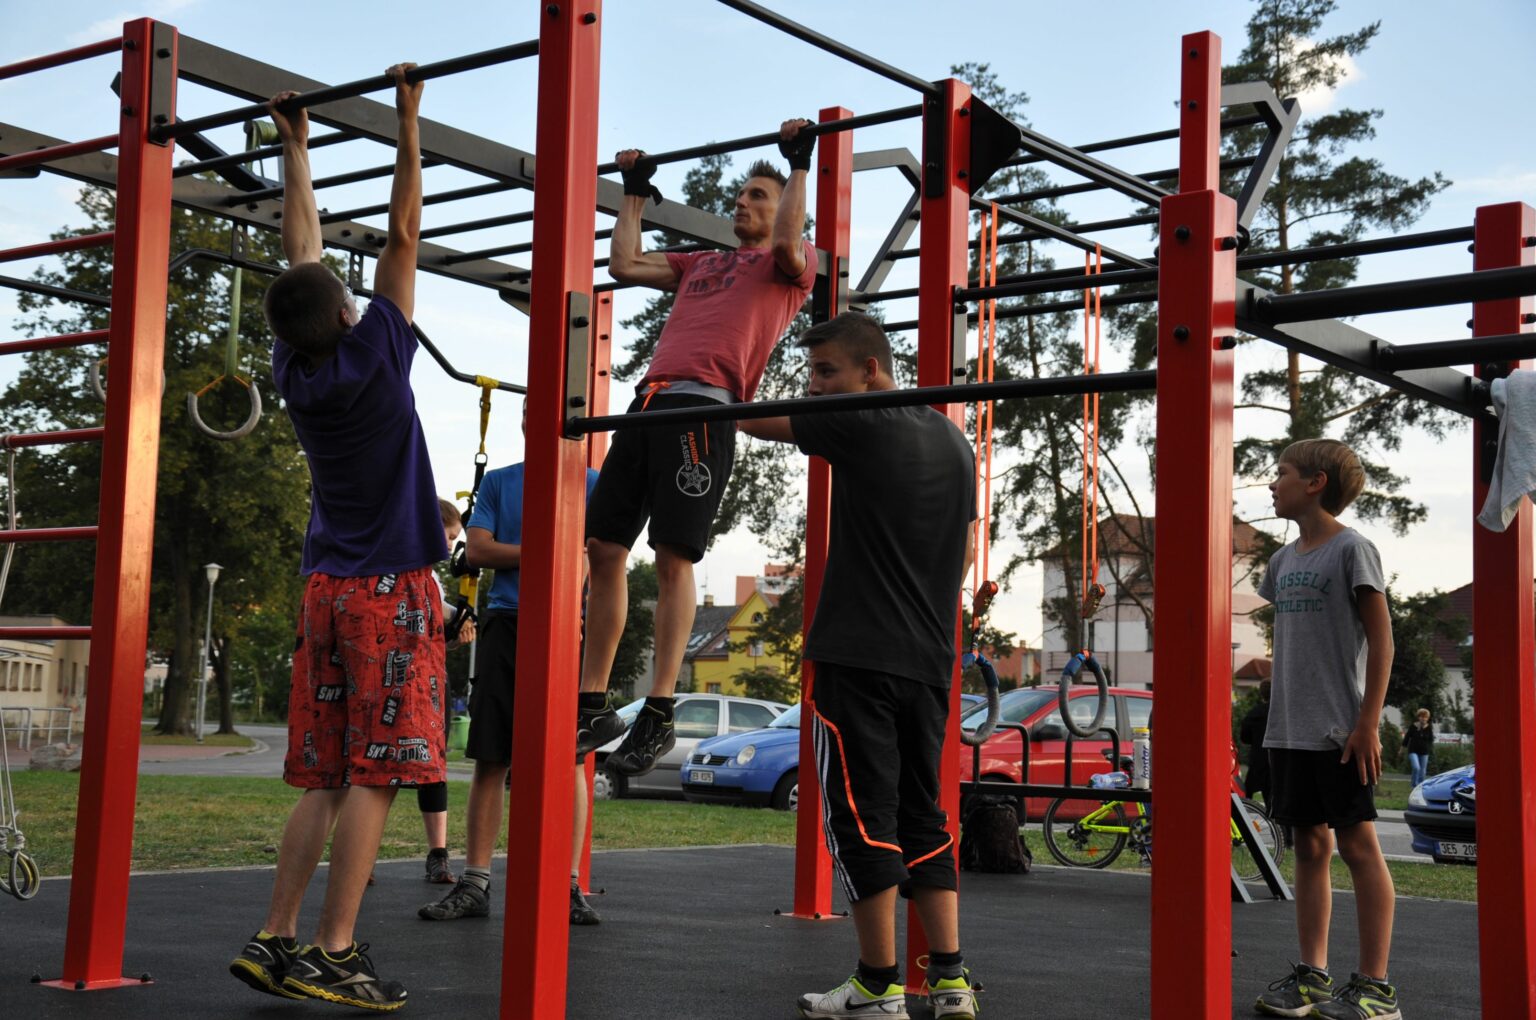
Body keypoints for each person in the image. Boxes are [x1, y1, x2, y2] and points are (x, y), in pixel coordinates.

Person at [228, 65, 441, 1012]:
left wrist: (297, 146)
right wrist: (408, 119)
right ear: (347, 315)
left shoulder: (296, 369)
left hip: (325, 590)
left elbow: (301, 254)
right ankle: (334, 951)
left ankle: (275, 934)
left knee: (322, 775)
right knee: (379, 777)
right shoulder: (377, 351)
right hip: (390, 591)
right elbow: (403, 232)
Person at [739, 311, 979, 1020]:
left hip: (856, 656)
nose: (814, 387)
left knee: (863, 818)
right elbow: (966, 548)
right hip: (928, 660)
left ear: (870, 371)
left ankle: (878, 986)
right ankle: (951, 981)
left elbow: (748, 419)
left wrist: (719, 360)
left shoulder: (861, 416)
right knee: (922, 815)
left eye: (825, 372)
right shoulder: (954, 441)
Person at [574, 120, 819, 775]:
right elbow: (623, 263)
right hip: (647, 402)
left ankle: (657, 711)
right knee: (603, 547)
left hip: (704, 410)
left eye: (757, 196)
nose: (742, 203)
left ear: (784, 209)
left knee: (673, 555)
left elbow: (789, 239)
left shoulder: (788, 268)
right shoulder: (700, 263)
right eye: (740, 195)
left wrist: (800, 163)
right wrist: (633, 191)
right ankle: (593, 703)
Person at [419, 403, 603, 926]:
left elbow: (597, 559)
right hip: (507, 622)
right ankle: (475, 882)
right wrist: (553, 550)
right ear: (523, 420)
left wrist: (538, 561)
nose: (536, 418)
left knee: (570, 758)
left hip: (566, 625)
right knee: (491, 756)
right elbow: (478, 550)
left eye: (544, 409)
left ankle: (567, 884)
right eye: (529, 410)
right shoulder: (500, 482)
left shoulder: (592, 484)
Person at [1254, 438, 1400, 1020]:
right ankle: (1313, 976)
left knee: (1358, 847)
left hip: (1340, 730)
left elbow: (1383, 641)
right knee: (1310, 847)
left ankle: (1376, 988)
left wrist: (1368, 723)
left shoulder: (1352, 550)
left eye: (1282, 473)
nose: (1273, 483)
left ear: (1315, 483)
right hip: (1290, 728)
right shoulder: (1282, 562)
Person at [414, 498, 477, 885]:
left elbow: (440, 628)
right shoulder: (404, 565)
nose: (452, 544)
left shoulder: (433, 577)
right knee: (382, 773)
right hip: (400, 679)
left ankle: (438, 853)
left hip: (431, 677)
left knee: (433, 768)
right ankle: (360, 856)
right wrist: (457, 620)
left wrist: (458, 629)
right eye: (450, 536)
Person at [1240, 679, 1273, 806]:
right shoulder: (1280, 713)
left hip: (1257, 760)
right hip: (1275, 760)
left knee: (1246, 794)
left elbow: (1244, 737)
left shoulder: (1254, 713)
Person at [1402, 708, 1434, 789]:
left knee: (1422, 771)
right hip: (1413, 750)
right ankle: (1414, 785)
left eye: (1425, 717)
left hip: (1424, 752)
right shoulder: (1413, 726)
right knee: (1416, 767)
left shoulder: (1429, 728)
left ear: (1427, 718)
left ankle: (1419, 787)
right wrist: (1402, 748)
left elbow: (1431, 740)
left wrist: (1429, 748)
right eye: (1422, 717)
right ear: (1419, 717)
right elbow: (1407, 737)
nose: (1423, 719)